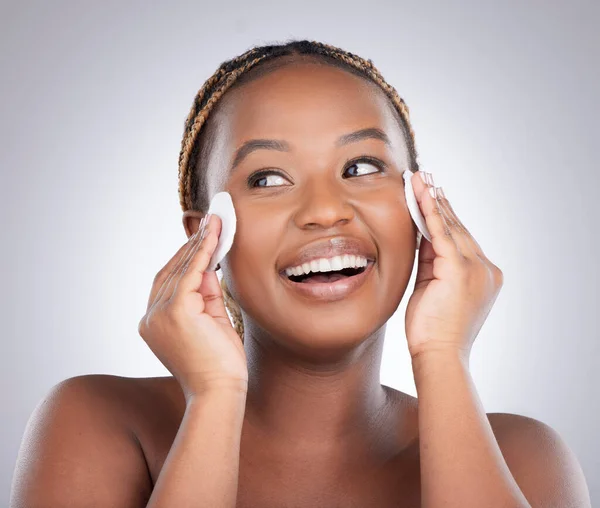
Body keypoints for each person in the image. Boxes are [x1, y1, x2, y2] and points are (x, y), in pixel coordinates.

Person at [10, 39, 591, 508]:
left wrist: (442, 353)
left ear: (422, 206)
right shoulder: (99, 423)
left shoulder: (523, 457)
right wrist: (214, 398)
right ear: (202, 236)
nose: (324, 210)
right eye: (267, 178)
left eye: (361, 166)